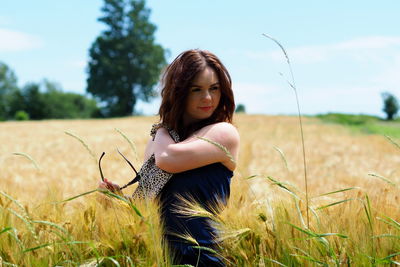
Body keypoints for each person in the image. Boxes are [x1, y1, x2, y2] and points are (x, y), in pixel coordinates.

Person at [99, 49, 239, 266]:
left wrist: (162, 128)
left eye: (214, 88)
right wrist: (116, 200)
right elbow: (147, 204)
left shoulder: (223, 133)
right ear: (179, 92)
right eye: (196, 89)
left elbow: (167, 159)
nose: (208, 98)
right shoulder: (164, 139)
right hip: (164, 259)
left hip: (206, 258)